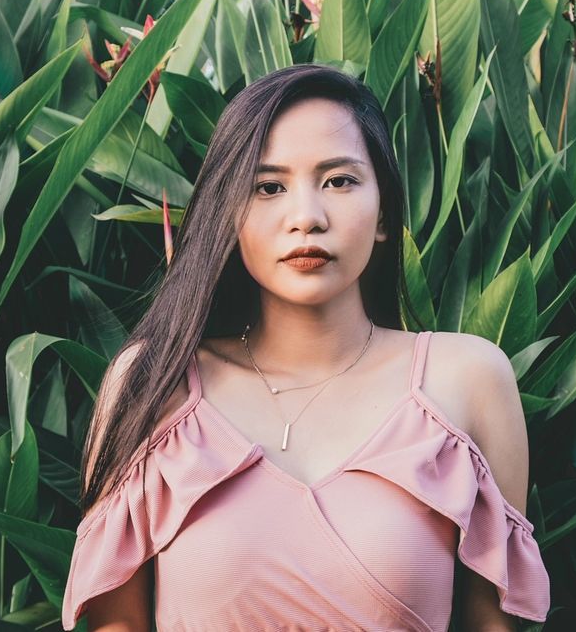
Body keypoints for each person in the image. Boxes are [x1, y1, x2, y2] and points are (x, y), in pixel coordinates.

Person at [63, 64, 550, 631]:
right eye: (268, 187)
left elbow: (493, 625)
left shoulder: (466, 381)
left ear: (386, 212)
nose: (306, 219)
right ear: (231, 214)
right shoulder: (152, 384)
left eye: (339, 181)